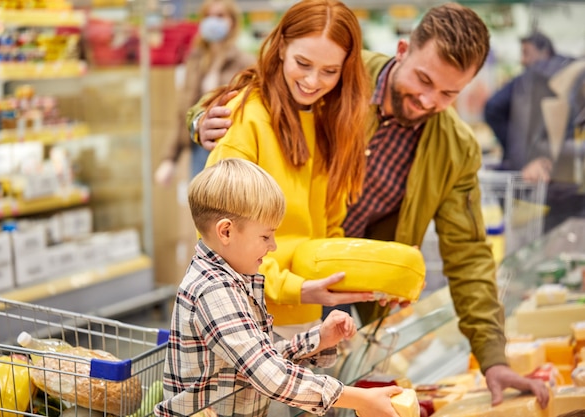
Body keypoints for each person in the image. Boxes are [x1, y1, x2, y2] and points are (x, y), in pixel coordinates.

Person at [187, 2, 550, 409]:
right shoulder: (338, 77)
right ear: (401, 51)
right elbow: (254, 96)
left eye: (449, 93)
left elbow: (469, 257)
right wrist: (199, 119)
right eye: (423, 79)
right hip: (266, 285)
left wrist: (492, 359)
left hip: (335, 296)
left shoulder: (454, 148)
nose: (429, 100)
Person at [154, 158, 403, 417]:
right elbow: (270, 375)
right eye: (265, 236)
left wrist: (318, 340)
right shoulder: (214, 291)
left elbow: (258, 358)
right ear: (226, 232)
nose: (273, 246)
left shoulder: (231, 278)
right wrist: (360, 399)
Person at [199, 0, 377, 340]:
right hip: (244, 319)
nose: (312, 81)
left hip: (305, 316)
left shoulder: (332, 123)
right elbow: (221, 237)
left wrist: (376, 278)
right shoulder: (245, 118)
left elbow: (329, 227)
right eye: (303, 63)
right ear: (281, 47)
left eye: (330, 71)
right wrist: (296, 289)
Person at [153, 0, 255, 187]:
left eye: (219, 16)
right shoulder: (195, 61)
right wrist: (169, 159)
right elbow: (184, 110)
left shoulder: (246, 63)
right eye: (208, 16)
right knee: (201, 207)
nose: (212, 21)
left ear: (232, 22)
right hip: (199, 146)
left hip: (231, 147)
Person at [484, 32, 579, 232]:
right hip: (567, 190)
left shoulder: (533, 76)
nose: (523, 60)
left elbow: (493, 107)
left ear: (544, 51)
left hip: (537, 186)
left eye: (527, 53)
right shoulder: (572, 71)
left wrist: (516, 152)